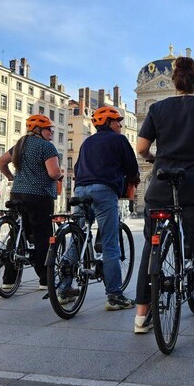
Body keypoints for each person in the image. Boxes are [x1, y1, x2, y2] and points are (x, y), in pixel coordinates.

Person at [135, 56, 194, 339]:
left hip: (162, 183)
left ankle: (141, 316)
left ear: (174, 82)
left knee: (150, 246)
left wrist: (154, 157)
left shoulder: (157, 107)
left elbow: (141, 146)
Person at [73, 106, 140, 310]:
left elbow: (76, 169)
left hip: (80, 190)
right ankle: (114, 296)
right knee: (111, 244)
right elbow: (132, 167)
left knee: (78, 237)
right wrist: (133, 181)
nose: (120, 125)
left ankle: (64, 287)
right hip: (103, 190)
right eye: (118, 121)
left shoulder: (87, 142)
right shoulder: (119, 140)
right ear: (109, 123)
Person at [0, 114, 62, 291]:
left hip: (17, 194)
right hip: (39, 197)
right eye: (49, 129)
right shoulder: (46, 147)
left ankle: (8, 279)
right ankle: (44, 280)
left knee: (17, 233)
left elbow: (1, 162)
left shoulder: (20, 145)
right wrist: (60, 174)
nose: (51, 133)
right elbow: (53, 173)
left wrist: (11, 178)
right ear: (39, 130)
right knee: (42, 238)